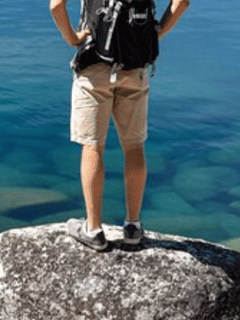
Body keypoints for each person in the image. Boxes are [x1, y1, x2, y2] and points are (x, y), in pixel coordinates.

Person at [50, 0, 189, 250]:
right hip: (135, 68)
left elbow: (56, 5)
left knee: (93, 146)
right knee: (134, 146)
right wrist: (155, 33)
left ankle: (93, 229)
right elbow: (183, 2)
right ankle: (133, 227)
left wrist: (72, 38)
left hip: (94, 68)